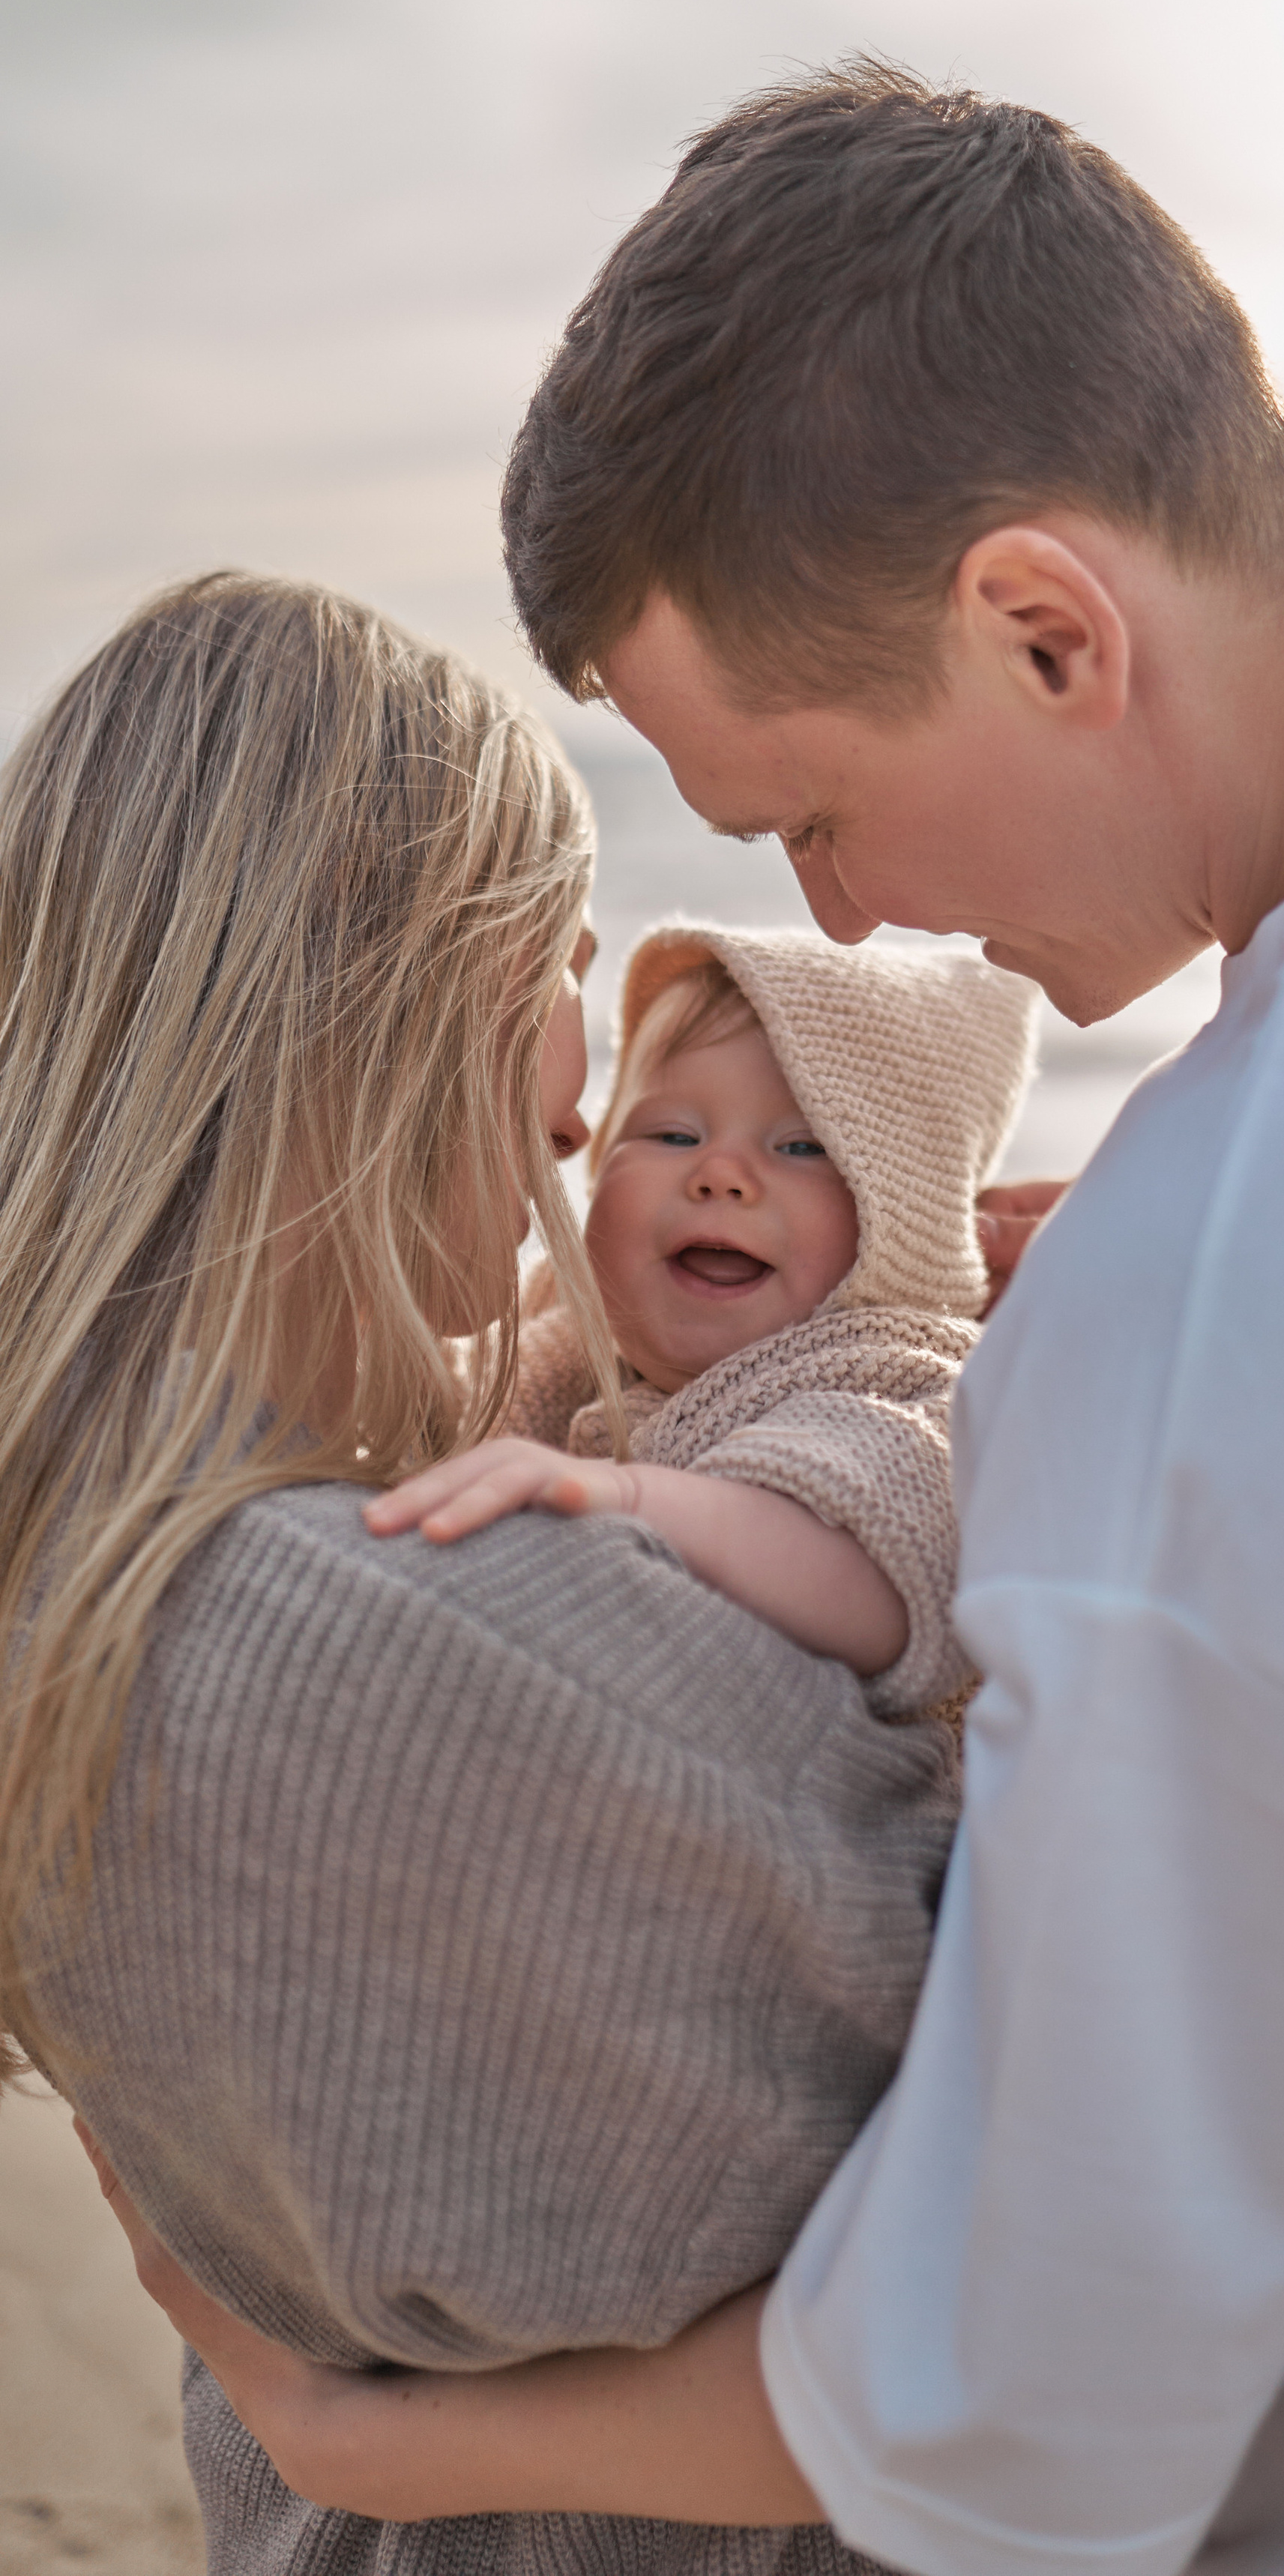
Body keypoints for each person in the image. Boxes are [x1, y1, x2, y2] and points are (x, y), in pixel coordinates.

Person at [115, 63, 1284, 2576]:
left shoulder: (1225, 1289)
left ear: (1049, 627)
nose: (843, 928)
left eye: (808, 816)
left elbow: (1030, 2427)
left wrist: (370, 2444)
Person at [0, 570, 971, 2576]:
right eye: (562, 954)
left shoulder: (87, 1563)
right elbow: (1096, 2218)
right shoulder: (390, 1655)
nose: (589, 1068)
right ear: (381, 1008)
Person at [391, 920, 1037, 1716]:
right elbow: (433, 1402)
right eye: (670, 1134)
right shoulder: (576, 1330)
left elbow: (873, 1574)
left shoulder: (906, 1375)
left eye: (802, 1148)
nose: (720, 1175)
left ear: (915, 1221)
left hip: (826, 1810)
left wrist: (627, 1499)